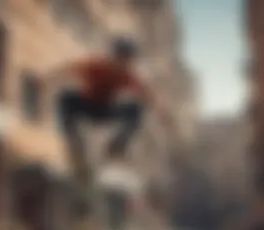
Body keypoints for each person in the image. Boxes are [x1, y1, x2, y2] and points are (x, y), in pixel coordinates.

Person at [47, 36, 172, 180]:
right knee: (66, 97)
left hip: (105, 110)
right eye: (120, 60)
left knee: (136, 108)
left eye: (126, 62)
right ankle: (75, 143)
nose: (121, 66)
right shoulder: (97, 66)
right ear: (113, 57)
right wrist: (49, 78)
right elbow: (68, 68)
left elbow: (148, 96)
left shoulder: (129, 76)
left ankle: (116, 147)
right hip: (87, 105)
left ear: (129, 62)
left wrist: (165, 116)